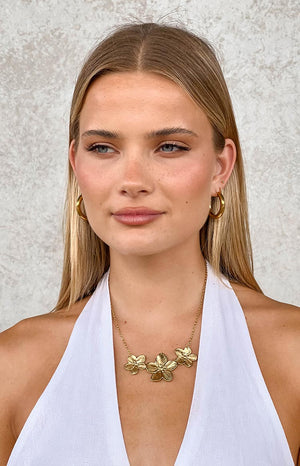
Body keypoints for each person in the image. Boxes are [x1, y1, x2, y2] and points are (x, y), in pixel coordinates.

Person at [0, 22, 299, 466]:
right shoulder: (13, 367)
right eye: (103, 148)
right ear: (75, 164)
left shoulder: (292, 357)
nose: (133, 181)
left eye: (170, 147)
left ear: (221, 167)